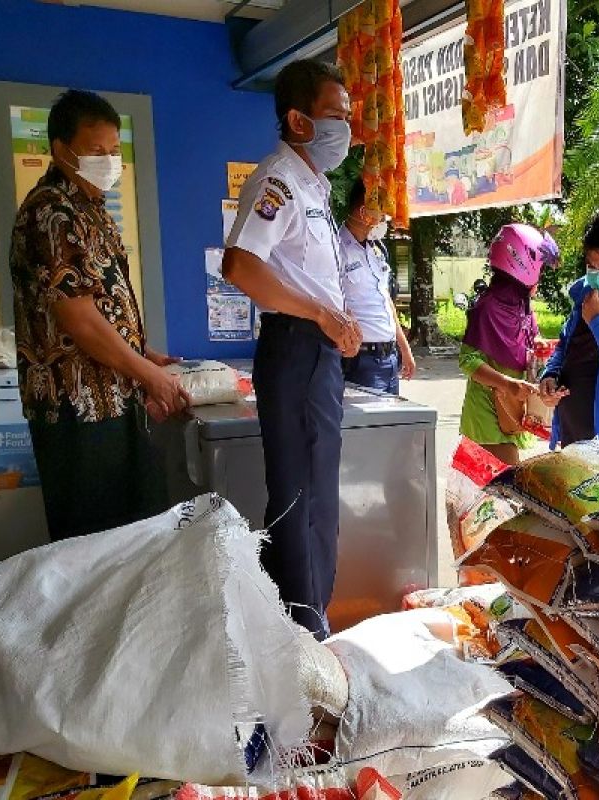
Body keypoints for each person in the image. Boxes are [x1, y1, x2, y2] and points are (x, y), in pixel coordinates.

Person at [223, 60, 362, 640]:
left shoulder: (312, 187)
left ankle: (290, 624)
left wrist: (334, 318)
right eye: (336, 115)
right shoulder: (278, 179)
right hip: (298, 349)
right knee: (305, 499)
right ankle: (306, 633)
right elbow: (241, 264)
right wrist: (321, 315)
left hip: (314, 351)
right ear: (299, 120)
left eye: (348, 116)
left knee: (310, 496)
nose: (347, 128)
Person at [9, 89, 188, 541]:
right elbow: (80, 320)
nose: (108, 161)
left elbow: (106, 305)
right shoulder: (50, 211)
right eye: (95, 151)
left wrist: (145, 354)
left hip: (112, 403)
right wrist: (147, 374)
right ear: (60, 150)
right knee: (95, 550)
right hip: (77, 410)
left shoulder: (91, 210)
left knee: (134, 535)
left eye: (113, 151)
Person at [459, 223, 559, 465]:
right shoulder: (487, 307)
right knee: (507, 489)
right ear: (525, 266)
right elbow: (468, 361)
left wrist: (543, 348)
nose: (541, 276)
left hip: (513, 408)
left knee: (499, 495)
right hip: (486, 411)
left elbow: (530, 341)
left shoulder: (522, 306)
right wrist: (507, 384)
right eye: (541, 269)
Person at [539, 205, 599, 452]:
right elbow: (565, 347)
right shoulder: (583, 300)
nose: (597, 275)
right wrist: (550, 376)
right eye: (591, 265)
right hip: (570, 439)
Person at [339, 178, 415, 394]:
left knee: (390, 424)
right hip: (361, 360)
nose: (384, 219)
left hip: (389, 357)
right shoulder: (337, 250)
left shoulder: (375, 249)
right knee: (369, 425)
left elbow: (385, 300)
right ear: (364, 213)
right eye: (381, 213)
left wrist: (404, 347)